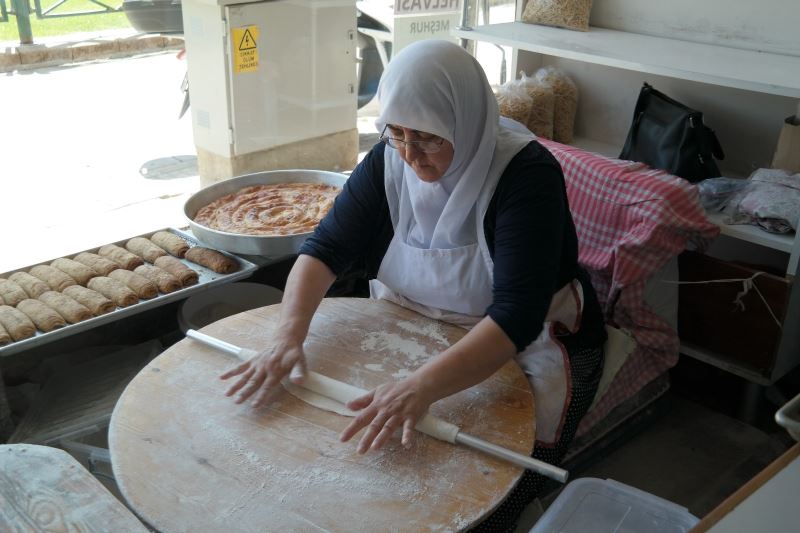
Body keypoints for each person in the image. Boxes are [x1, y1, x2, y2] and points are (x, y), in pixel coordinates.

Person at [220, 39, 606, 531]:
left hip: (527, 342)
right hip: (414, 318)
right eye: (395, 133)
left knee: (483, 496)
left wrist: (419, 388)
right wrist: (287, 337)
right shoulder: (389, 159)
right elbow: (324, 250)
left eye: (427, 137)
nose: (410, 155)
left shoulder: (525, 176)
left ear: (463, 121)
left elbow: (516, 315)